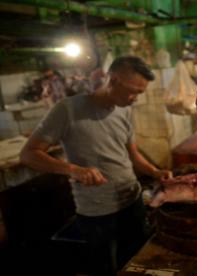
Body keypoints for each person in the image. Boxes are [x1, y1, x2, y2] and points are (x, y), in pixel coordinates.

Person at [20, 56, 172, 275]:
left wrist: (155, 172)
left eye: (140, 93)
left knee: (136, 263)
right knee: (103, 268)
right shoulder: (68, 109)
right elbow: (28, 154)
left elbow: (133, 155)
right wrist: (73, 170)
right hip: (97, 212)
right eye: (133, 91)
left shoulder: (124, 110)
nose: (135, 98)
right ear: (113, 80)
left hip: (132, 201)